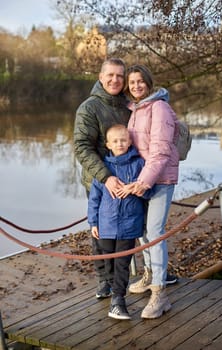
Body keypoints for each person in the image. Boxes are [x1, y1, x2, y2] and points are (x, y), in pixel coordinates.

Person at [117, 64, 180, 319]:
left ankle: (160, 295)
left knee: (154, 233)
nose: (136, 86)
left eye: (140, 81)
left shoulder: (159, 107)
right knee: (142, 231)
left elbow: (161, 150)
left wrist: (143, 182)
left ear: (149, 82)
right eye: (132, 83)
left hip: (160, 179)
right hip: (142, 180)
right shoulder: (136, 109)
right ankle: (150, 275)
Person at [74, 58, 131, 299]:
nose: (115, 80)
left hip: (128, 181)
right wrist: (106, 178)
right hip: (99, 181)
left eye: (120, 76)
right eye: (110, 75)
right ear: (100, 77)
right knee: (101, 233)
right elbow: (82, 147)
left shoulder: (129, 106)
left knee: (128, 231)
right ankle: (104, 280)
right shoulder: (89, 107)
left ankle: (124, 279)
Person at [88, 124, 155, 320]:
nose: (120, 144)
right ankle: (110, 285)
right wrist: (93, 223)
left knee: (122, 263)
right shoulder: (103, 169)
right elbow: (94, 199)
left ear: (130, 142)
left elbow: (149, 191)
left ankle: (118, 299)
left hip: (129, 225)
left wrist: (137, 188)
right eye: (115, 141)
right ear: (108, 144)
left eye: (123, 140)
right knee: (107, 259)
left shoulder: (139, 164)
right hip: (106, 225)